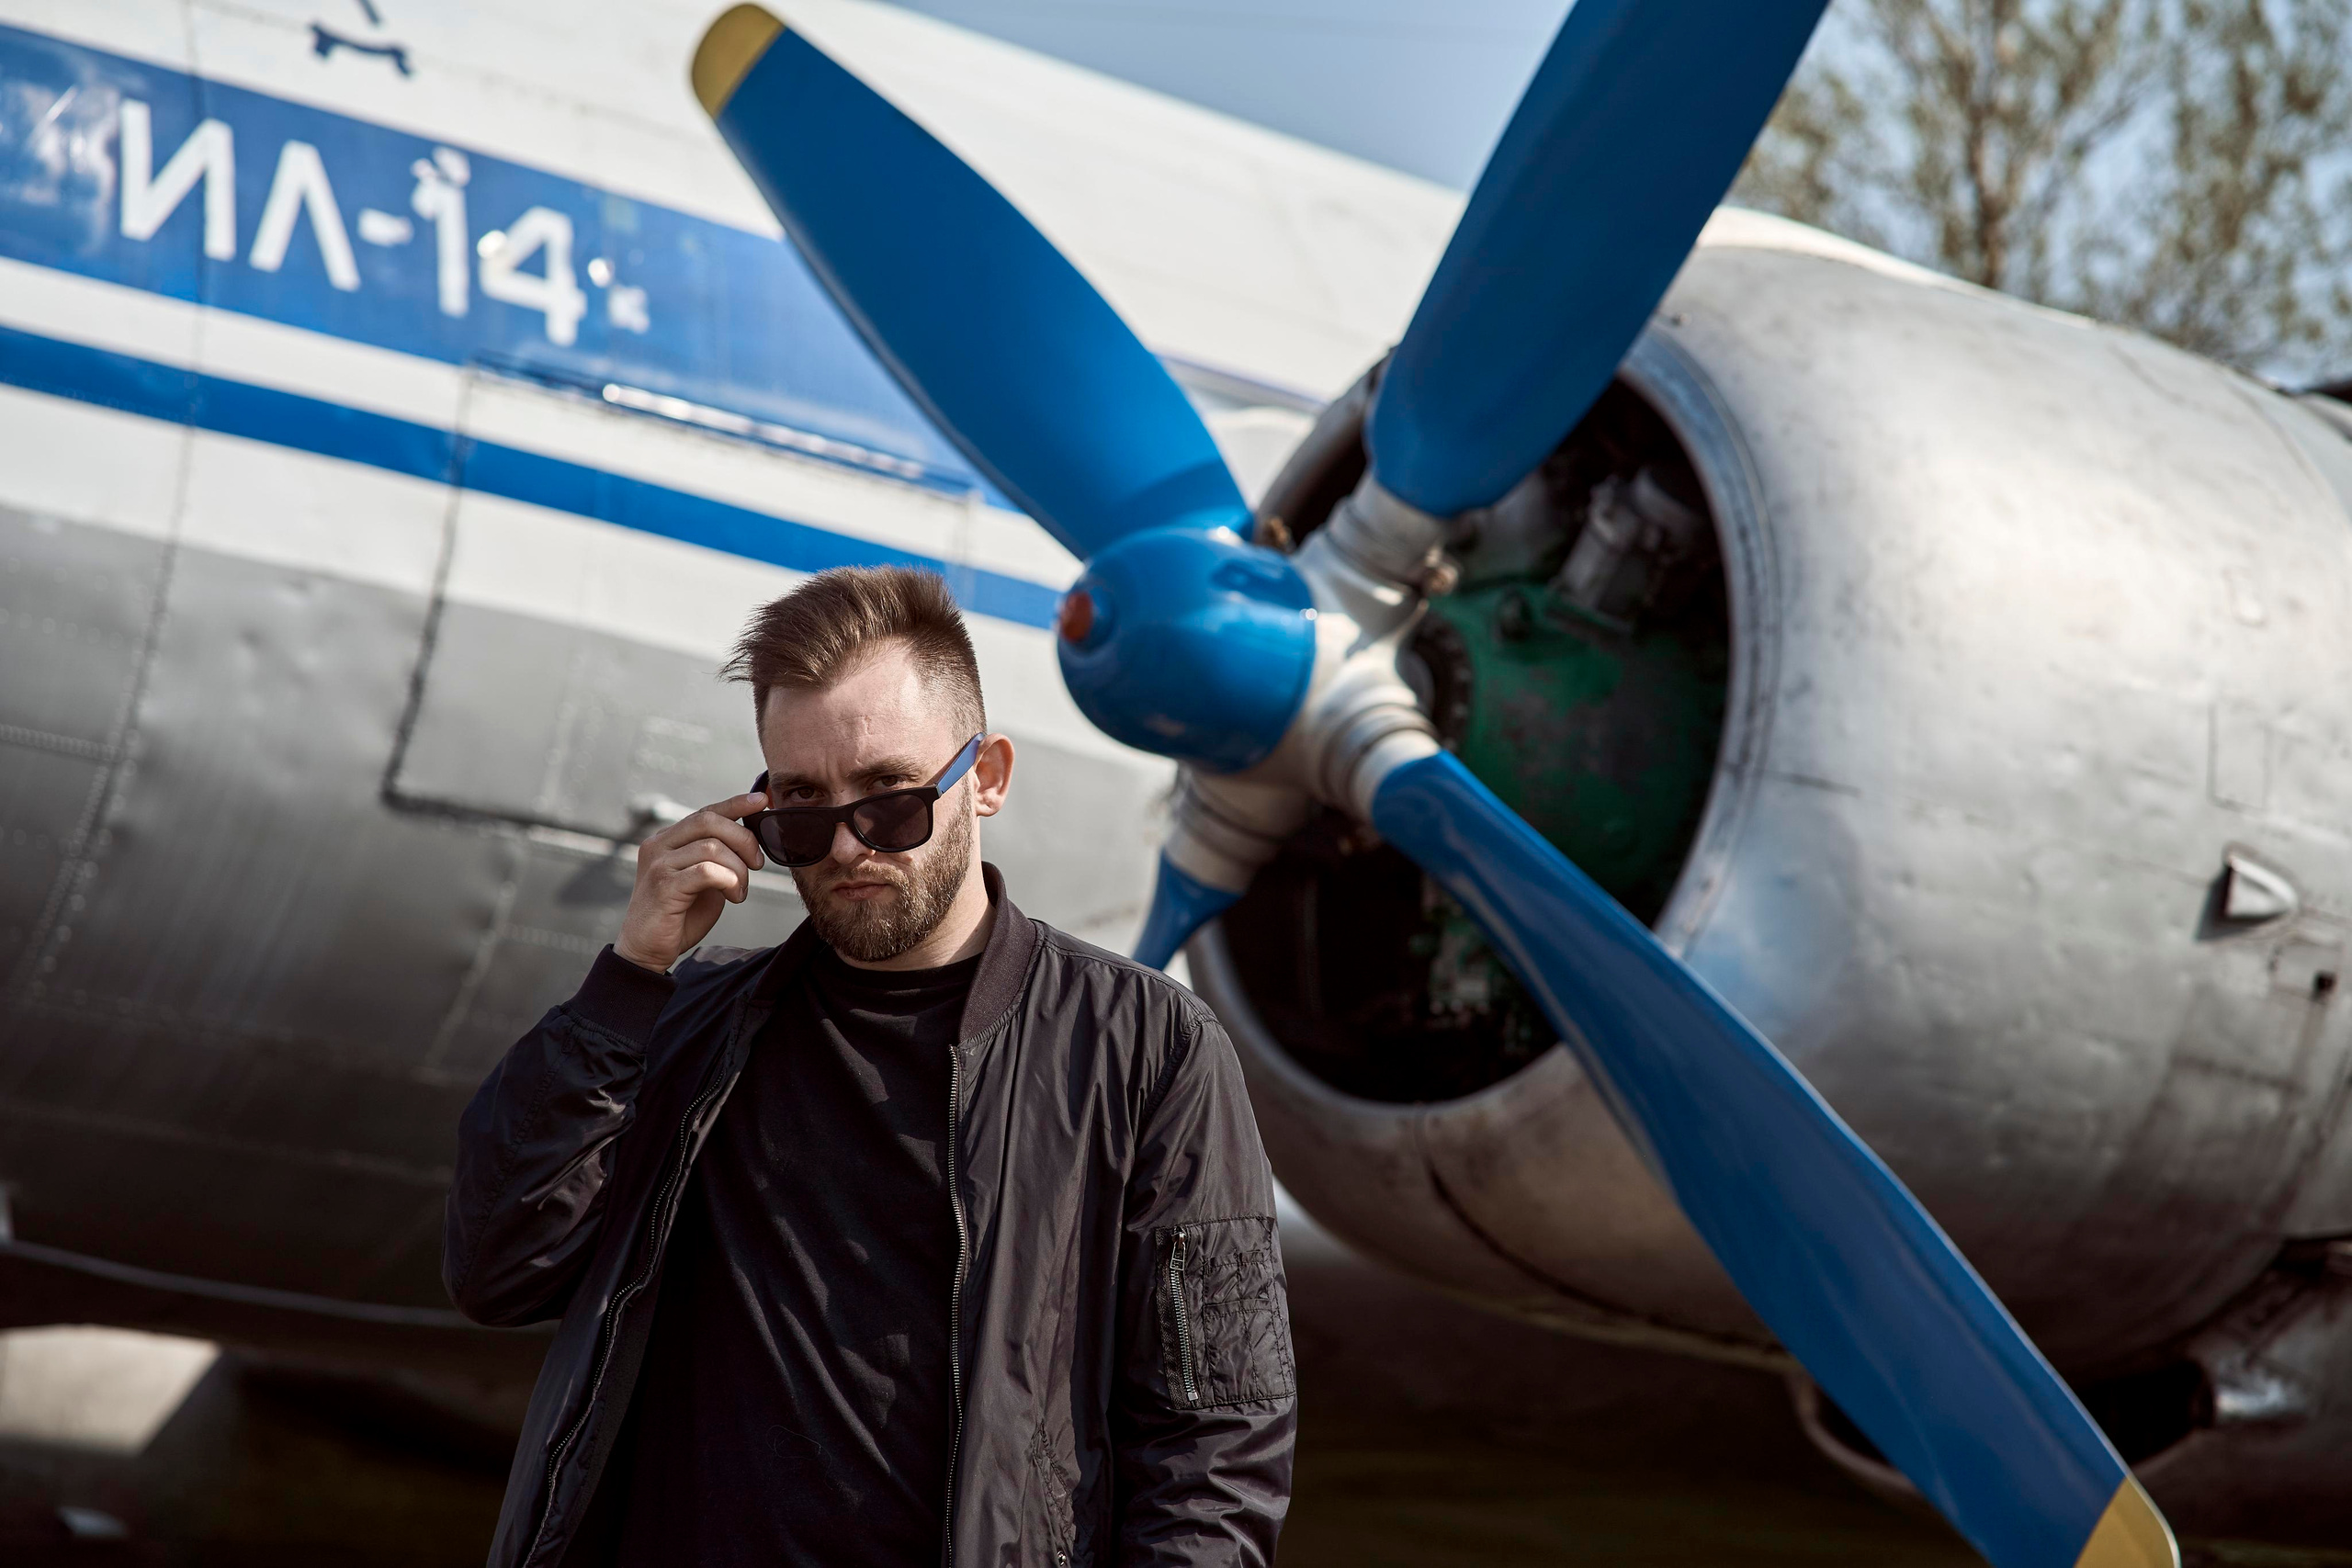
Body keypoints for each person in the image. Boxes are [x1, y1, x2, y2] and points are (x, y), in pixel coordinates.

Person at [442, 565, 1295, 1568]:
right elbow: (498, 1266)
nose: (846, 844)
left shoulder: (1149, 1049)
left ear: (986, 777)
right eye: (801, 810)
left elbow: (1219, 1444)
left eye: (889, 802)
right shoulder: (683, 1022)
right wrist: (630, 975)